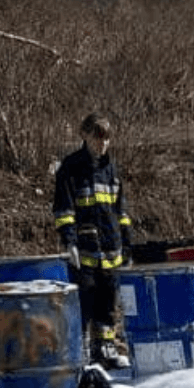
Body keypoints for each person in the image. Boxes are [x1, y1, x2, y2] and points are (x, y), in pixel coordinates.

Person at [52, 112, 134, 370]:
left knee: (107, 302)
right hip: (86, 250)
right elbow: (63, 209)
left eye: (107, 139)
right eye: (98, 138)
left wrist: (127, 244)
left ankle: (105, 349)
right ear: (85, 135)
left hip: (111, 248)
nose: (102, 144)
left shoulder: (111, 168)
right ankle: (82, 349)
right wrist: (69, 241)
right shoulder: (71, 167)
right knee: (84, 301)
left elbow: (121, 210)